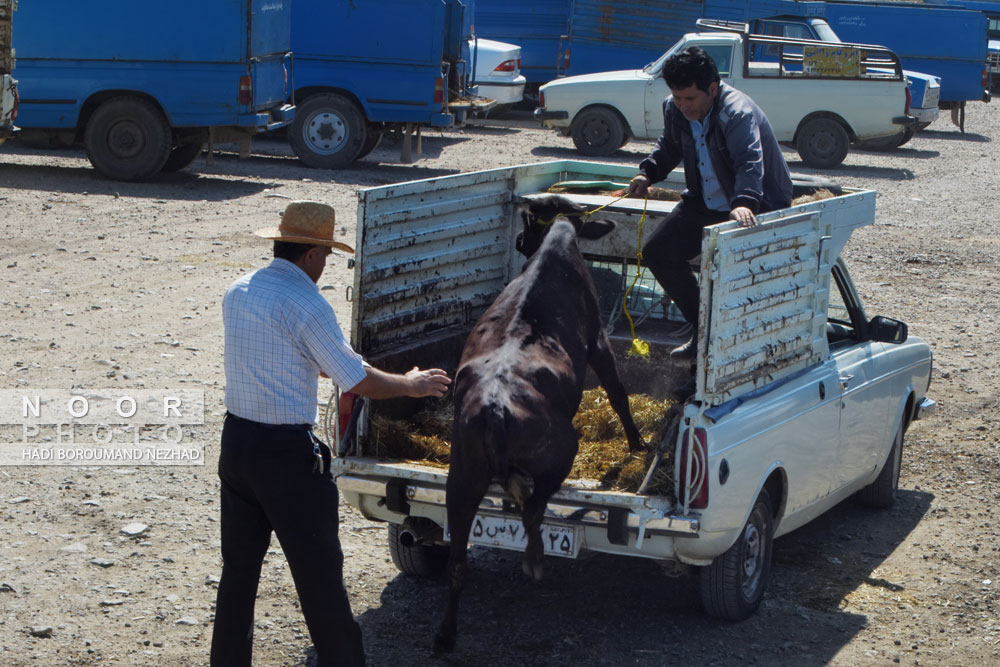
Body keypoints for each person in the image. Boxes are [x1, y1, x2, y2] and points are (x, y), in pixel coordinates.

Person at [211, 200, 451, 666]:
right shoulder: (306, 303)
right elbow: (356, 380)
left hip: (237, 444)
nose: (324, 267)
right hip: (285, 457)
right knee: (320, 577)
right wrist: (413, 384)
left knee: (238, 573)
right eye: (325, 258)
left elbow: (273, 354)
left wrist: (316, 362)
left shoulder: (238, 290)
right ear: (311, 256)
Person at [627, 46, 793, 380]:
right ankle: (704, 331)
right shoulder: (675, 110)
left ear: (713, 90)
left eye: (689, 98)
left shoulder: (737, 113)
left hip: (755, 204)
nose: (682, 106)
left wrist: (745, 202)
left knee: (730, 277)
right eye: (676, 97)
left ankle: (738, 347)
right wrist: (648, 173)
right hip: (704, 201)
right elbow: (669, 147)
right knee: (658, 254)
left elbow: (750, 163)